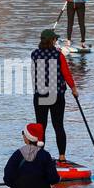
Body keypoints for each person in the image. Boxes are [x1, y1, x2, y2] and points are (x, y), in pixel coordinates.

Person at [31, 29, 78, 162]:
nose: (56, 41)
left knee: (41, 126)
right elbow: (66, 73)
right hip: (56, 94)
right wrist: (73, 88)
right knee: (58, 126)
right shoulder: (58, 55)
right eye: (55, 39)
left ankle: (39, 156)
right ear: (51, 41)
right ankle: (62, 157)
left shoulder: (34, 54)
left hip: (40, 94)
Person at [4, 124, 61, 188]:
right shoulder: (45, 155)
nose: (23, 135)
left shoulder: (17, 154)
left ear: (27, 137)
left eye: (23, 133)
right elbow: (54, 179)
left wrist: (15, 185)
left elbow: (7, 179)